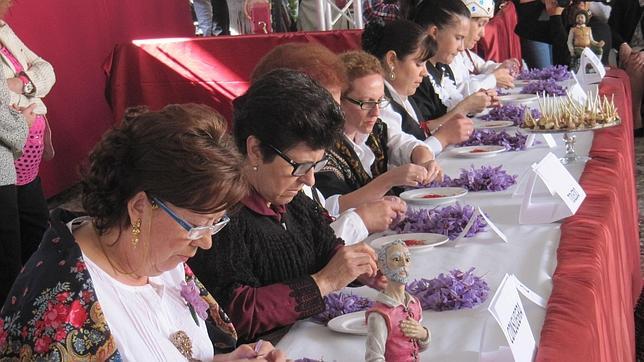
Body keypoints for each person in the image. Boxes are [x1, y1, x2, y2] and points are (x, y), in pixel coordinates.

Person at [0, 104, 285, 361]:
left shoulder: (149, 250)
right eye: (197, 226)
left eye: (214, 224)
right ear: (140, 206)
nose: (207, 242)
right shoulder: (63, 314)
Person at [189, 69, 384, 344]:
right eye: (300, 166)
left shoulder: (290, 201)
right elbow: (232, 314)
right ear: (255, 149)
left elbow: (323, 248)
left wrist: (355, 267)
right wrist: (324, 283)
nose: (309, 179)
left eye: (316, 165)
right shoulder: (220, 216)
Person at [251, 42, 410, 241]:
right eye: (328, 113)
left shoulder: (299, 164)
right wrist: (359, 221)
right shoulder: (255, 192)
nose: (336, 123)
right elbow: (307, 253)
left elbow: (321, 212)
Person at [314, 50, 441, 222]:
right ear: (338, 100)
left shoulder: (374, 129)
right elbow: (331, 208)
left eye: (380, 101)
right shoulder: (322, 147)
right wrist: (388, 180)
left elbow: (402, 143)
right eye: (366, 103)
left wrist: (423, 158)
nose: (376, 111)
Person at [361, 18, 473, 157]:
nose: (425, 73)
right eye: (419, 64)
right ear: (391, 60)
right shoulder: (379, 103)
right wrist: (442, 138)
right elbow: (397, 149)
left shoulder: (401, 95)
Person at [0, 0, 50, 305]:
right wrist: (21, 122)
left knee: (37, 238)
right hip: (4, 164)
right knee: (7, 256)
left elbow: (47, 69)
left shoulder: (4, 30)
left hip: (25, 165)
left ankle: (36, 310)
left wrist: (17, 84)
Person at [365, 240, 430, 361]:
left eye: (407, 259)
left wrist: (423, 334)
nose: (403, 264)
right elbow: (374, 358)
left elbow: (418, 346)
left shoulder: (414, 303)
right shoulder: (379, 315)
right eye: (396, 259)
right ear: (382, 266)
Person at [451, 0, 520, 94]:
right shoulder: (448, 54)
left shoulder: (464, 53)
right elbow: (455, 93)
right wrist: (492, 79)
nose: (483, 33)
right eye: (480, 24)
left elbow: (482, 67)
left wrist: (500, 67)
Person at [608, 0, 644, 135]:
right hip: (630, 51)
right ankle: (635, 120)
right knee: (636, 66)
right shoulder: (624, 2)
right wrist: (622, 43)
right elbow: (610, 28)